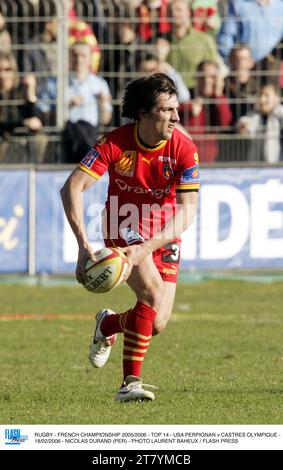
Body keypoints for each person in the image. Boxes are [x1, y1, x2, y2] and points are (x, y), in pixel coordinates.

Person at [60, 73, 200, 402]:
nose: (176, 117)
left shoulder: (185, 149)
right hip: (123, 222)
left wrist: (147, 249)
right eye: (167, 110)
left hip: (163, 232)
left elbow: (188, 211)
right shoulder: (116, 143)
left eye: (176, 109)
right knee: (151, 296)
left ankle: (109, 325)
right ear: (144, 113)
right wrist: (84, 247)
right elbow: (72, 187)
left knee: (157, 322)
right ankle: (130, 384)